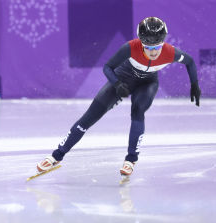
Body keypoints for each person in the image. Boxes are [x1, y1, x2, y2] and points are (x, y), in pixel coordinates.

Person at [36, 17, 201, 178]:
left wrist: (194, 85)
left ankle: (131, 159)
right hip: (122, 78)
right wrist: (117, 84)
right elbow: (108, 67)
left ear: (163, 43)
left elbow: (191, 62)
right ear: (141, 43)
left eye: (157, 47)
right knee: (89, 117)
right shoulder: (130, 47)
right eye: (148, 48)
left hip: (147, 84)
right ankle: (56, 155)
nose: (153, 52)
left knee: (138, 112)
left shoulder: (171, 52)